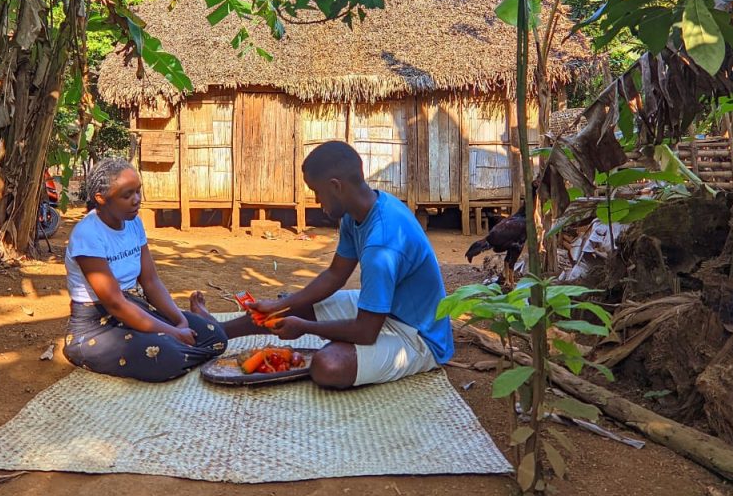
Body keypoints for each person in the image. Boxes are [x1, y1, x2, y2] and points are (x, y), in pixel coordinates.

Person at [192, 141, 453, 388]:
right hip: (384, 310)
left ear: (336, 186)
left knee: (328, 365)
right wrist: (281, 305)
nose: (318, 202)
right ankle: (217, 333)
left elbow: (365, 331)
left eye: (317, 192)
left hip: (417, 335)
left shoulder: (381, 245)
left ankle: (342, 353)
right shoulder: (359, 212)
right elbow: (334, 275)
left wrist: (305, 328)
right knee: (294, 306)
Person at [63, 157, 227, 382]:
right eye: (127, 195)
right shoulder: (88, 234)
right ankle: (178, 353)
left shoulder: (134, 223)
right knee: (165, 355)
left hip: (137, 308)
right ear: (100, 199)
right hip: (97, 326)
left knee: (215, 336)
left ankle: (179, 348)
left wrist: (180, 321)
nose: (136, 200)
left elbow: (150, 282)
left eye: (138, 191)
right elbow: (114, 303)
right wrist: (174, 333)